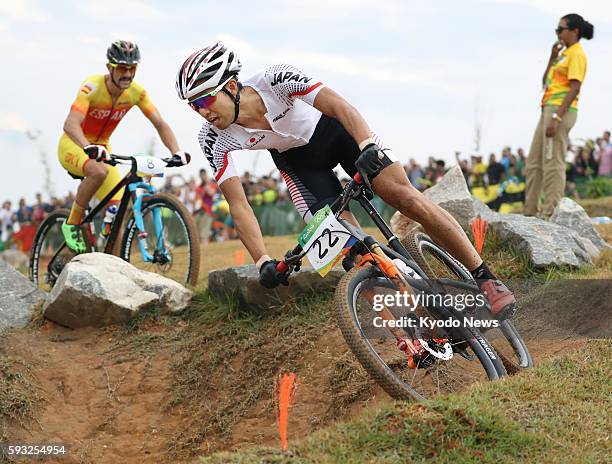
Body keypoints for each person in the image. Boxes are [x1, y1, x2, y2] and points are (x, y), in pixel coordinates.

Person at [176, 42, 517, 320]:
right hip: (300, 167)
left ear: (232, 87)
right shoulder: (212, 137)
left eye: (206, 100)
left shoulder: (276, 79)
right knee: (349, 251)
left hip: (337, 133)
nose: (203, 112)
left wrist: (367, 145)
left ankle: (486, 277)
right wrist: (262, 259)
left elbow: (341, 106)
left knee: (404, 197)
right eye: (195, 106)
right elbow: (238, 203)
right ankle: (408, 333)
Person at [58, 40, 189, 253]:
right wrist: (86, 147)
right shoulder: (92, 87)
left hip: (102, 147)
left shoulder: (136, 92)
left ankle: (112, 261)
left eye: (132, 68)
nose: (127, 74)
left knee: (118, 210)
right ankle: (72, 223)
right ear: (109, 68)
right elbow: (70, 124)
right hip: (74, 144)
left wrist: (176, 151)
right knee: (98, 171)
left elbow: (159, 122)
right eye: (122, 68)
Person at [524, 14, 594, 217]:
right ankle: (530, 212)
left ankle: (549, 213)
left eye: (561, 29)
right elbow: (545, 82)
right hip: (547, 107)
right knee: (534, 162)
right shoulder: (563, 54)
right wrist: (552, 58)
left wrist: (557, 118)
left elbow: (575, 87)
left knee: (553, 162)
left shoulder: (577, 54)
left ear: (575, 31)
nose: (558, 33)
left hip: (560, 110)